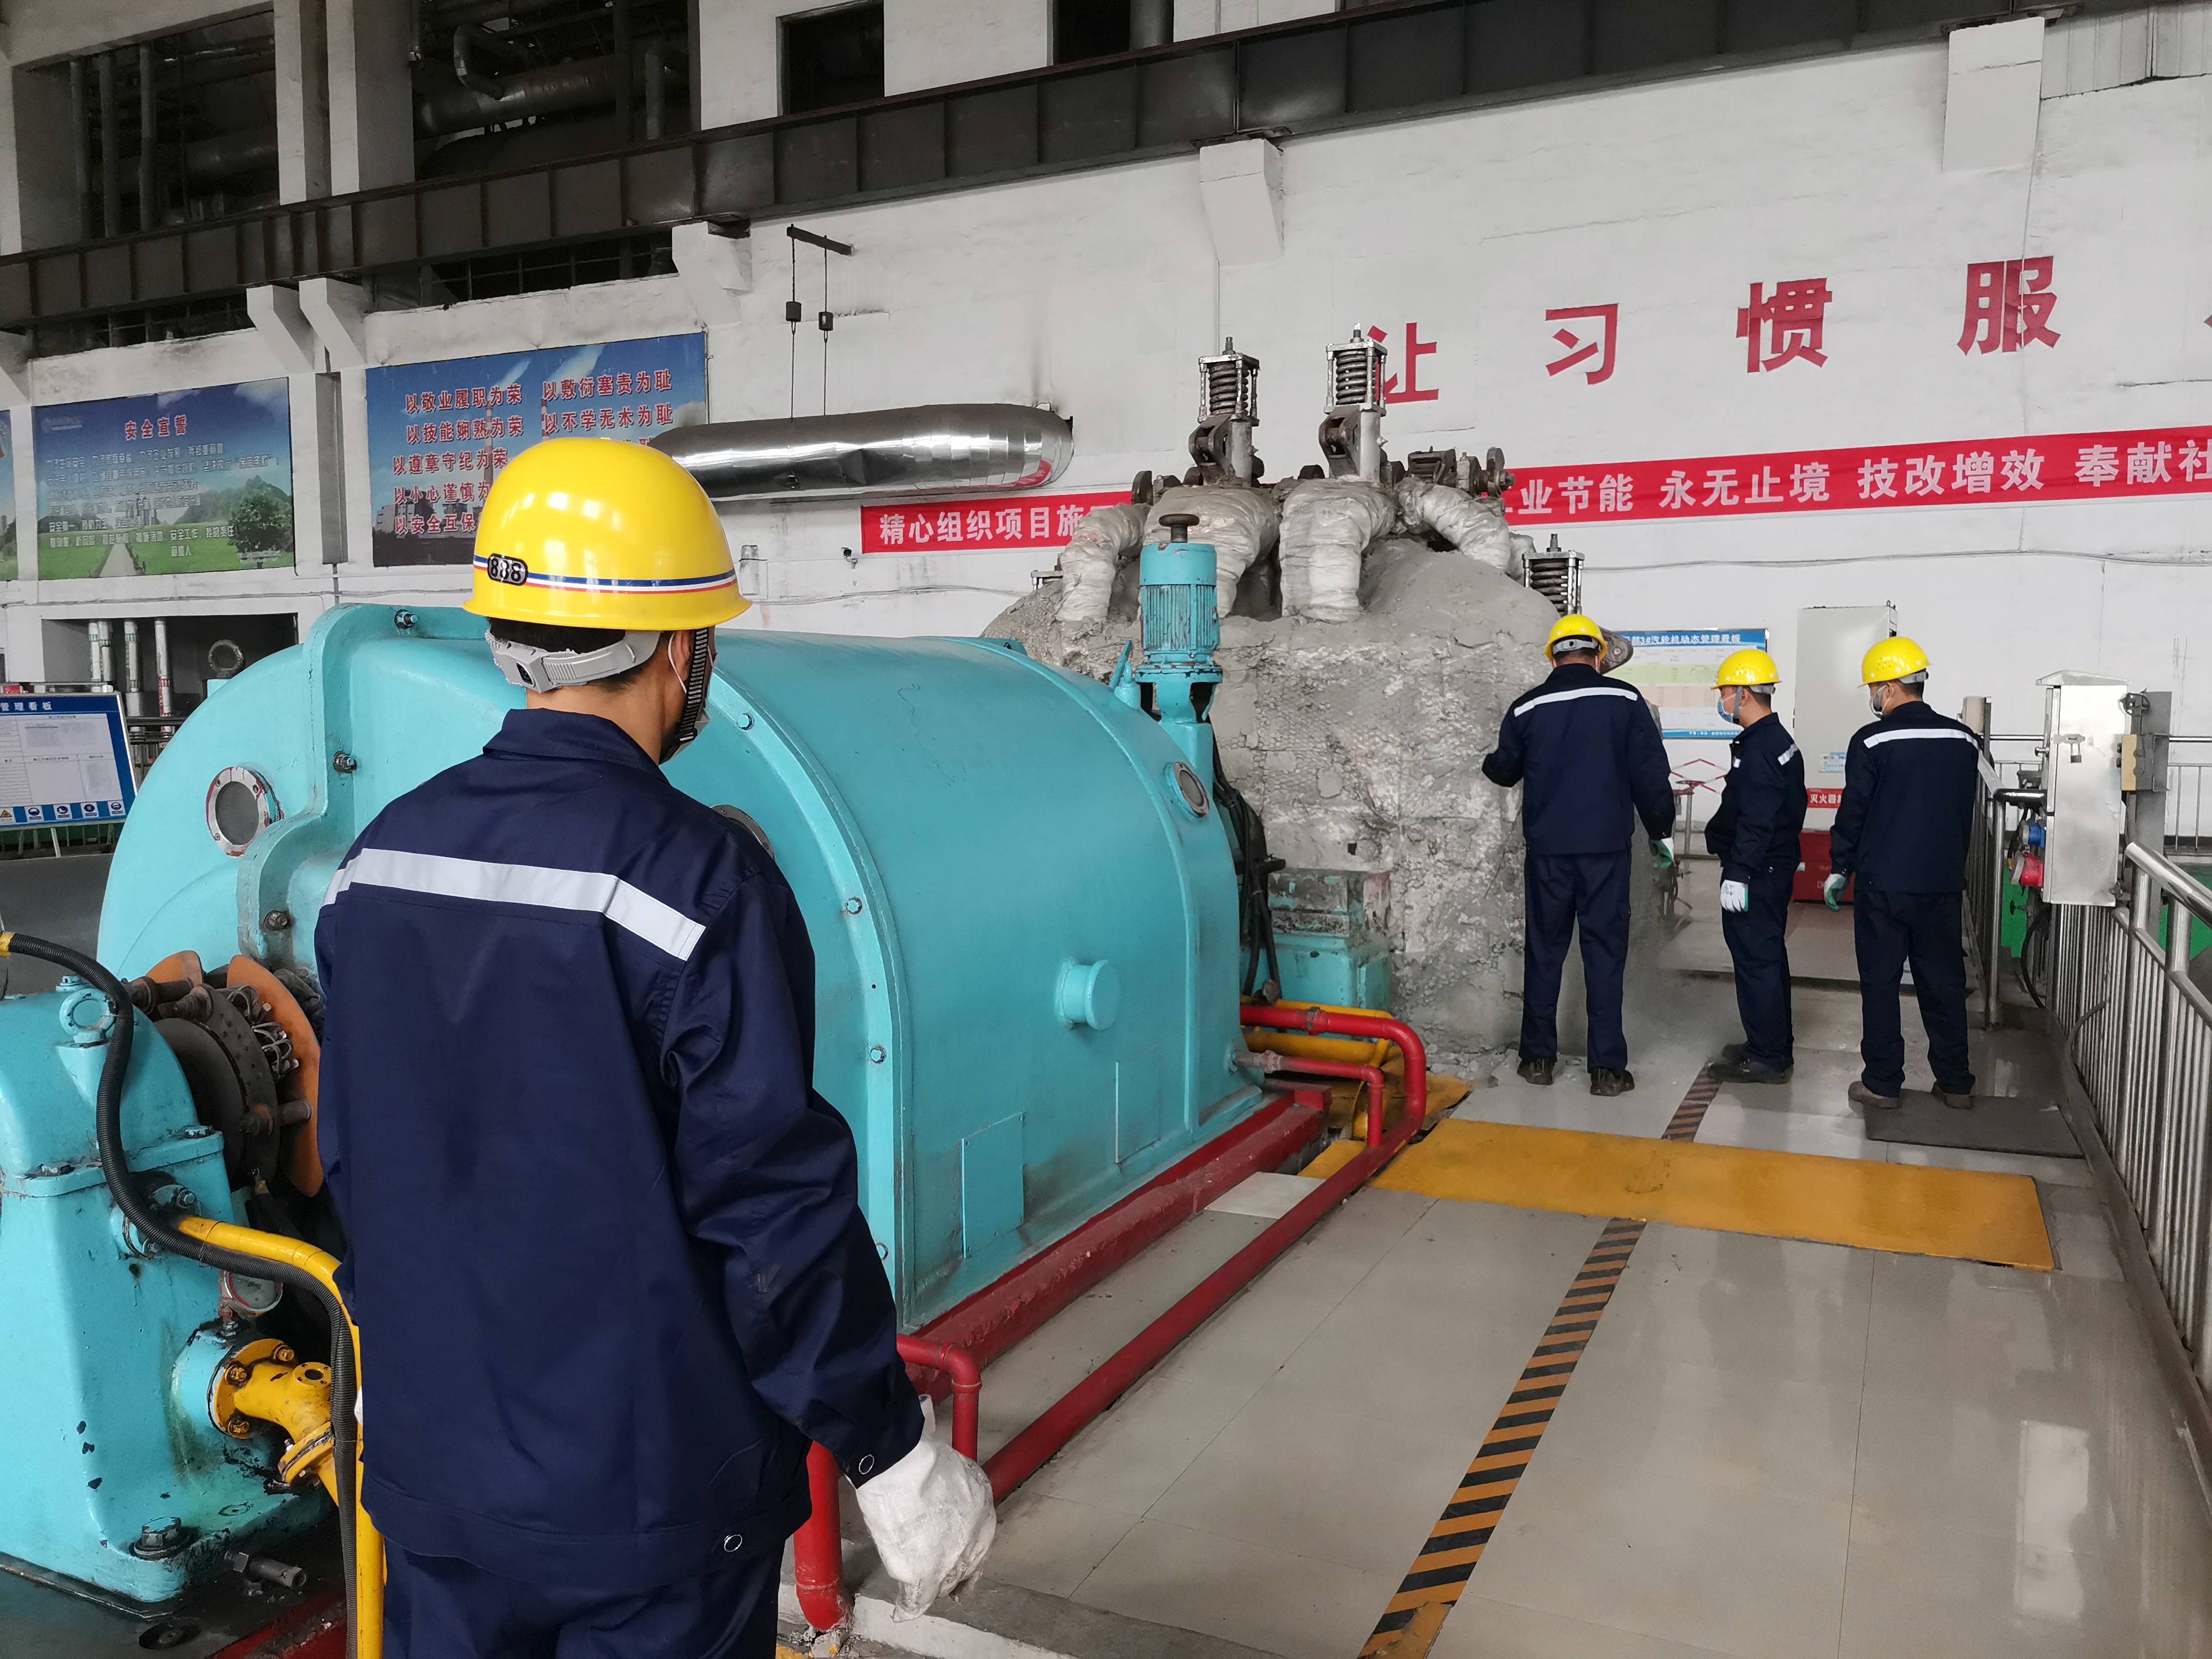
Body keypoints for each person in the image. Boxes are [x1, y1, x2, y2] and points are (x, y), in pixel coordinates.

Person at [315, 439, 994, 1659]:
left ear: (506, 641)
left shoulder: (377, 865)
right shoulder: (696, 882)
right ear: (680, 648)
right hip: (648, 1505)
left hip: (435, 1473)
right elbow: (770, 1209)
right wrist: (889, 1449)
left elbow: (360, 1160)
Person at [1482, 613, 1677, 1097]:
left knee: (1545, 952)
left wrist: (1491, 759)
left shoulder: (1527, 707)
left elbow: (1503, 771)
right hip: (1606, 854)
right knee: (1604, 955)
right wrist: (1661, 831)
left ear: (1553, 659)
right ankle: (1607, 1071)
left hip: (1548, 855)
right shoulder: (1625, 700)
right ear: (1598, 656)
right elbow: (1651, 774)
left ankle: (1537, 1060)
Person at [1823, 634, 1982, 1112]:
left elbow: (1854, 812)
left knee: (1881, 983)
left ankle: (1883, 1083)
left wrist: (1839, 867)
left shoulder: (1871, 741)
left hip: (1884, 886)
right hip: (1941, 883)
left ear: (1890, 688)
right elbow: (1964, 812)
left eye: (1875, 687)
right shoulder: (1963, 740)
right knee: (1944, 982)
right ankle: (1955, 1083)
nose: (1873, 696)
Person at [1703, 648, 1808, 1086]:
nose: (1722, 700)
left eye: (1725, 692)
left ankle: (1767, 1057)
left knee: (1756, 961)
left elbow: (1757, 818)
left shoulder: (1762, 748)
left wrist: (1739, 872)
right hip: (1772, 867)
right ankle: (1772, 1044)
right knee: (1767, 958)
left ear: (1744, 694)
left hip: (1758, 872)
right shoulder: (1774, 739)